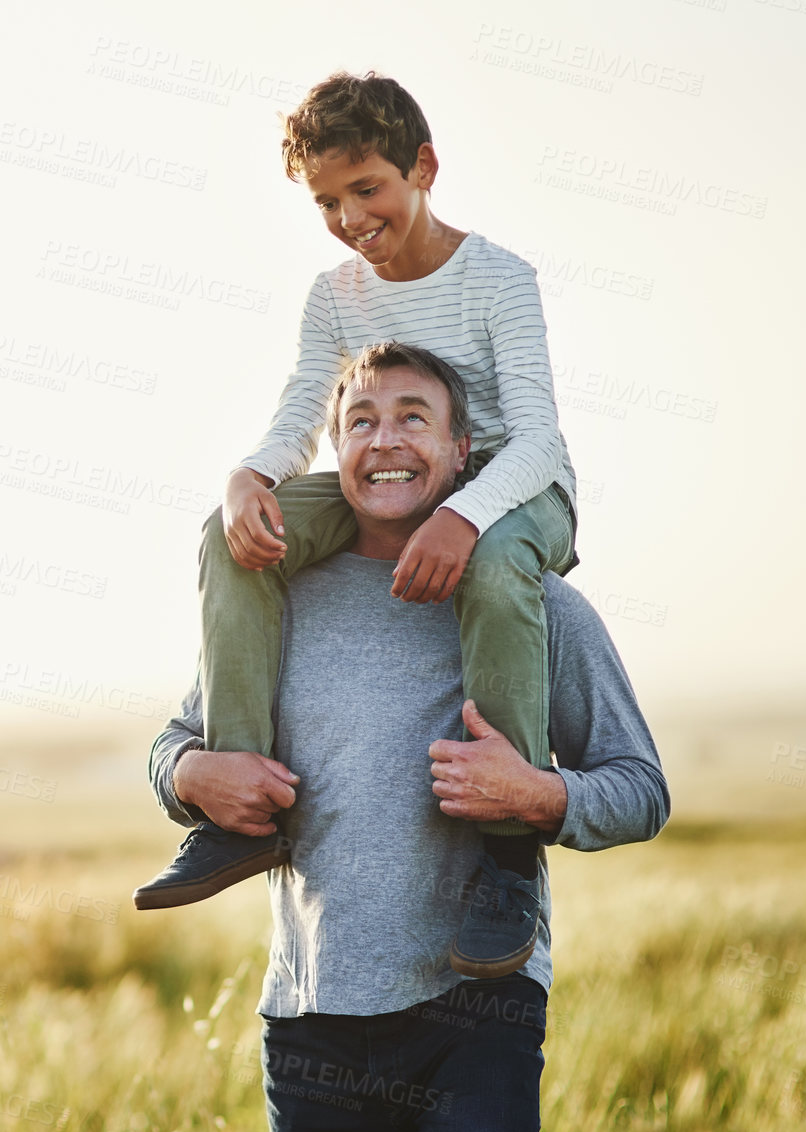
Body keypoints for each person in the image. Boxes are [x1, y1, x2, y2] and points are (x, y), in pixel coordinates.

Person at [146, 343, 667, 1132]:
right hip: (310, 1016)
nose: (384, 439)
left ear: (464, 453)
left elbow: (641, 787)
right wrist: (189, 772)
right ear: (334, 451)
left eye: (413, 419)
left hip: (477, 1013)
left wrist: (538, 795)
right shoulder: (278, 594)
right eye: (361, 421)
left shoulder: (534, 603)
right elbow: (177, 742)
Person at [134, 70, 580, 980]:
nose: (347, 217)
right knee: (231, 536)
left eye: (364, 189)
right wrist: (249, 475)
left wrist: (463, 515)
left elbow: (536, 435)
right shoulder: (334, 293)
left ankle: (503, 859)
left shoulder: (498, 279)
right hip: (383, 476)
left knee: (495, 568)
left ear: (422, 167)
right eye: (325, 201)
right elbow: (307, 403)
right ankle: (240, 807)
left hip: (509, 485)